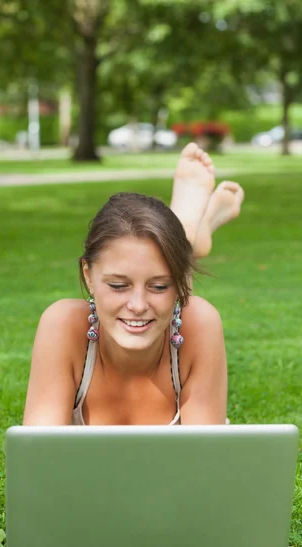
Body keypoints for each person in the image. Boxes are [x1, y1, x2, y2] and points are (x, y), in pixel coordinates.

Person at [23, 143, 244, 426]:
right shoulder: (62, 324)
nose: (138, 306)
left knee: (183, 295)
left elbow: (205, 462)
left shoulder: (198, 323)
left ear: (177, 286)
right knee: (161, 264)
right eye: (118, 285)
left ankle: (186, 234)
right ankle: (186, 231)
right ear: (88, 276)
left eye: (160, 287)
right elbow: (40, 458)